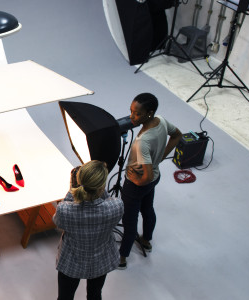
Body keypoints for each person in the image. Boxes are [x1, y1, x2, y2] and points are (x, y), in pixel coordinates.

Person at [118, 92, 182, 269]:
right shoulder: (160, 120)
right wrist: (160, 158)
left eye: (137, 113)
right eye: (131, 111)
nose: (132, 116)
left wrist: (136, 182)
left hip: (138, 184)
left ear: (149, 113)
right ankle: (146, 240)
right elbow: (177, 135)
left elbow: (146, 176)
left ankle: (122, 258)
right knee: (147, 209)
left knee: (129, 221)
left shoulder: (142, 141)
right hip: (155, 177)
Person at [53, 160, 124, 300]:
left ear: (79, 181)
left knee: (65, 297)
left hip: (71, 262)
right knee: (95, 295)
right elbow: (105, 199)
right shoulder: (116, 206)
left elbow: (58, 223)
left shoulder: (65, 210)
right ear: (102, 185)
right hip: (100, 262)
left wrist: (72, 190)